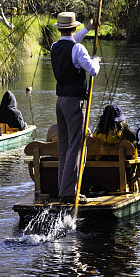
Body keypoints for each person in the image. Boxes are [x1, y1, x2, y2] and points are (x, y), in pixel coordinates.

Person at [50, 11, 100, 203]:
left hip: (60, 101)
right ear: (73, 27)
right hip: (74, 103)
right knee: (75, 147)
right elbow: (93, 71)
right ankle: (69, 192)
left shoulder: (55, 46)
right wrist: (95, 60)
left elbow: (70, 43)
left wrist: (88, 28)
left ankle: (63, 189)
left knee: (64, 146)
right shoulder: (78, 50)